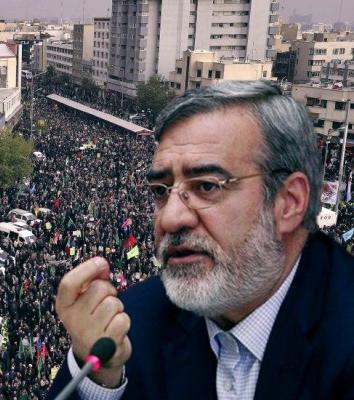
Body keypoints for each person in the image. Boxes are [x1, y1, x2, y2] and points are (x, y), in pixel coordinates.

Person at [47, 81, 354, 400]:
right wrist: (98, 376)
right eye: (160, 191)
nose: (170, 218)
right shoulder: (131, 322)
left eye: (207, 186)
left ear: (288, 202)